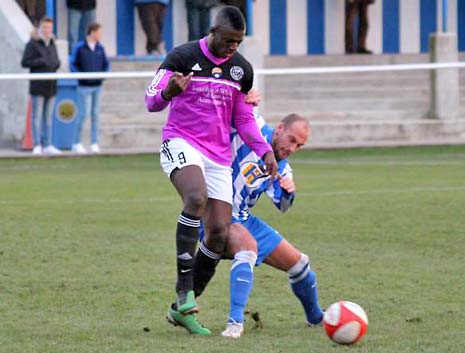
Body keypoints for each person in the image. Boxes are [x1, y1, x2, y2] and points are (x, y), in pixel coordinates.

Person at [145, 6, 278, 335]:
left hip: (218, 154)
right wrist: (169, 92)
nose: (234, 47)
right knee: (196, 197)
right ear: (213, 32)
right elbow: (151, 101)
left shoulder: (241, 70)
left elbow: (243, 119)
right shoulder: (182, 56)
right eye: (229, 40)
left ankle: (183, 310)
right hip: (181, 141)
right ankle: (183, 289)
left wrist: (264, 150)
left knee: (218, 233)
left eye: (239, 42)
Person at [197, 111, 324, 338]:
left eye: (299, 146)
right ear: (280, 129)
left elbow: (282, 206)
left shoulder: (283, 167)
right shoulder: (252, 127)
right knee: (248, 248)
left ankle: (317, 318)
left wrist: (288, 192)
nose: (292, 149)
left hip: (243, 217)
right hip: (215, 213)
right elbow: (237, 106)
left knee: (300, 265)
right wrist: (248, 93)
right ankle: (235, 322)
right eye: (292, 140)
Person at [21, 16, 62, 156]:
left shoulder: (52, 43)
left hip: (51, 85)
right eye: (45, 27)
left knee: (48, 116)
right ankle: (37, 144)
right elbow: (25, 62)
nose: (47, 30)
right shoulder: (32, 44)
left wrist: (54, 63)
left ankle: (48, 144)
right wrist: (41, 61)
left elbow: (56, 61)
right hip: (38, 85)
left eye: (49, 28)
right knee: (37, 116)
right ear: (40, 28)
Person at [70, 22, 110, 154]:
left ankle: (94, 142)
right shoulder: (79, 47)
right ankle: (76, 142)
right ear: (92, 32)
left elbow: (106, 64)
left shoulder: (100, 48)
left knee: (95, 115)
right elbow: (73, 65)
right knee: (83, 114)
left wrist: (103, 76)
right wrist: (81, 77)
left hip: (97, 86)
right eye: (99, 32)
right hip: (84, 87)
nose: (100, 35)